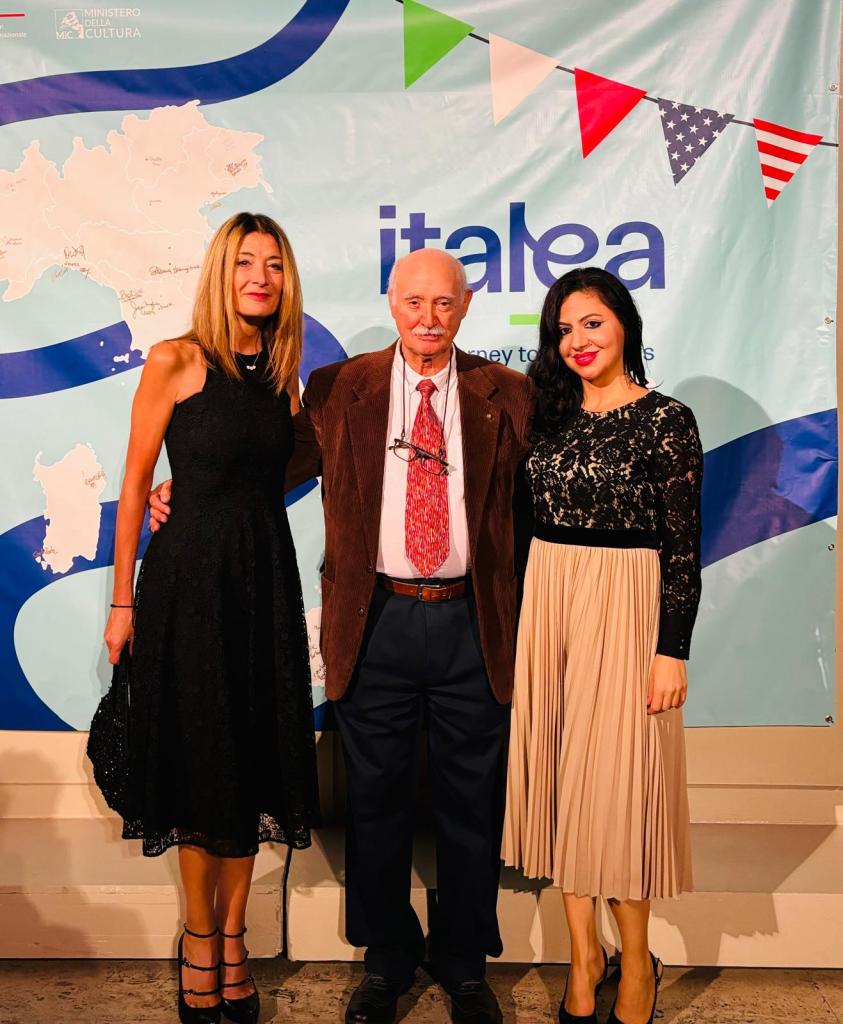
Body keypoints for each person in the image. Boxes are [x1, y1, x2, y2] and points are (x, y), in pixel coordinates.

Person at [151, 247, 533, 1024]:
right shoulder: (338, 388)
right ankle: (386, 961)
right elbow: (264, 465)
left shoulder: (509, 393)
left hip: (472, 622)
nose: (428, 318)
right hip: (375, 620)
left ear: (465, 307)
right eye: (413, 302)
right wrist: (181, 487)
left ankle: (463, 965)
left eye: (444, 303)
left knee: (471, 804)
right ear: (391, 303)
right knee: (376, 801)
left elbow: (542, 498)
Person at [87, 212, 320, 1024]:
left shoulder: (284, 377)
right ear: (221, 273)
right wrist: (122, 601)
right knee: (201, 766)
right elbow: (133, 486)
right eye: (245, 262)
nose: (260, 276)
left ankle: (233, 937)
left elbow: (270, 471)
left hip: (263, 586)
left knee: (251, 763)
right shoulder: (174, 361)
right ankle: (196, 938)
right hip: (188, 587)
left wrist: (199, 486)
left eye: (274, 264)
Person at [502, 267, 702, 1024]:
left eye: (592, 322)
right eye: (563, 329)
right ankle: (583, 956)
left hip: (628, 605)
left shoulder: (666, 420)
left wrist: (671, 648)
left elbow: (683, 547)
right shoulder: (543, 415)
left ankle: (637, 957)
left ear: (624, 325)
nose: (577, 340)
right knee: (562, 781)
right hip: (549, 599)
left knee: (619, 789)